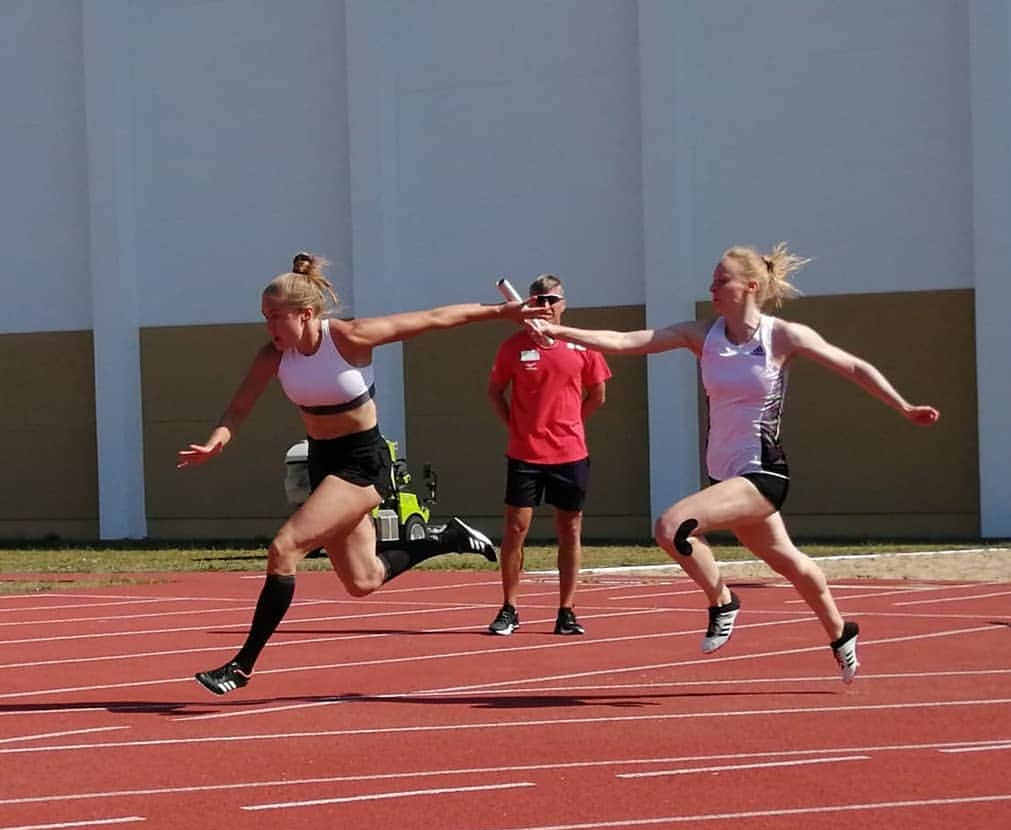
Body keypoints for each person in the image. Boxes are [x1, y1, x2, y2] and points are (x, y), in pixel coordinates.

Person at [526, 244, 940, 681]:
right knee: (789, 561)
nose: (712, 288)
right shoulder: (703, 335)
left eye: (721, 281)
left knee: (672, 527)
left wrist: (903, 407)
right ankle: (841, 632)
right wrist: (562, 332)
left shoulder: (782, 336)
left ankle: (723, 600)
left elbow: (852, 366)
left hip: (763, 473)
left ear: (750, 287)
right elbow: (630, 342)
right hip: (726, 475)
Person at [178, 252, 533, 695]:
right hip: (323, 461)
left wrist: (502, 311)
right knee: (363, 580)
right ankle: (446, 538)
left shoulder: (348, 337)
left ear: (305, 314)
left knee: (284, 549)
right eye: (264, 317)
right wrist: (217, 440)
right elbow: (238, 407)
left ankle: (242, 665)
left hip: (363, 463)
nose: (268, 326)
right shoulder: (272, 356)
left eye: (275, 317)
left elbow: (433, 318)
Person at [486, 274, 611, 636]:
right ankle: (509, 607)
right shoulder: (512, 347)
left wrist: (570, 424)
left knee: (569, 528)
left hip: (570, 453)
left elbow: (597, 395)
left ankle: (567, 610)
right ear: (530, 303)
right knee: (515, 528)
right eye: (540, 300)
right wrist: (516, 426)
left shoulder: (582, 346)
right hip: (525, 453)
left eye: (553, 299)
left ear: (563, 303)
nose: (547, 306)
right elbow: (494, 392)